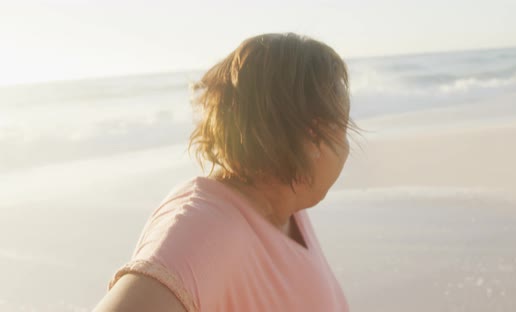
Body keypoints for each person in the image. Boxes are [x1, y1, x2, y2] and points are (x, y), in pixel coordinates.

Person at [94, 32, 357, 312]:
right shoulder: (204, 226)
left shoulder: (288, 206)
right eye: (343, 128)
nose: (347, 146)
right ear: (312, 137)